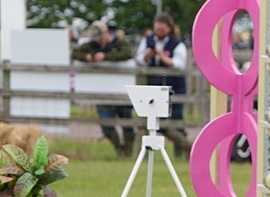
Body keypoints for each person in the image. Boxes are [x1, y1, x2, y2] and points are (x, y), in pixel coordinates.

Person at [72, 19, 135, 156]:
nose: (98, 41)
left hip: (122, 90)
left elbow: (128, 54)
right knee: (106, 123)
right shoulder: (91, 45)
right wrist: (87, 57)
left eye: (100, 37)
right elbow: (75, 53)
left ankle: (128, 153)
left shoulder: (119, 42)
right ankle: (119, 150)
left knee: (127, 123)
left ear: (106, 33)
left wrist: (106, 56)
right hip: (103, 90)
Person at [135, 12, 190, 158]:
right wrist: (147, 56)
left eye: (162, 29)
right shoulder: (147, 41)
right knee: (154, 121)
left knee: (176, 121)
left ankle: (182, 151)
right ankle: (185, 146)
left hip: (174, 88)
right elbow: (139, 59)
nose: (158, 32)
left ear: (169, 28)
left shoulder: (177, 44)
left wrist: (162, 56)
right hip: (153, 87)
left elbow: (178, 64)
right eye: (156, 28)